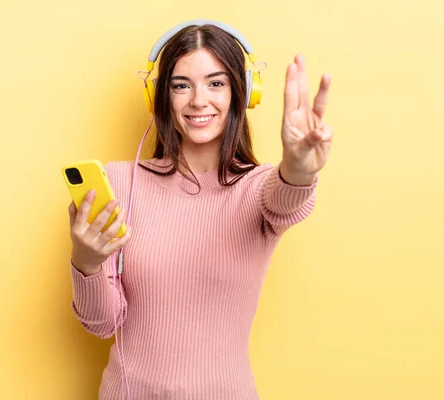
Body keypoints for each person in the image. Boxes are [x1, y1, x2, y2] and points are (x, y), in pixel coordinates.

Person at [67, 20, 333, 400]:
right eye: (181, 85)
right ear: (159, 96)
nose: (198, 100)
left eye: (216, 83)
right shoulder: (118, 183)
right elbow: (101, 323)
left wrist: (300, 165)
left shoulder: (257, 188)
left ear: (242, 93)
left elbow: (288, 197)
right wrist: (86, 261)